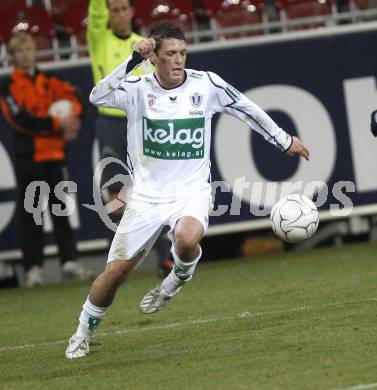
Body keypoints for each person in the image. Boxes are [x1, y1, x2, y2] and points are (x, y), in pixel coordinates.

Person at [65, 22, 310, 359]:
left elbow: (247, 109)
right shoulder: (137, 88)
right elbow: (98, 96)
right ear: (154, 57)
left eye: (182, 52)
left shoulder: (205, 84)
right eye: (170, 54)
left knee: (186, 237)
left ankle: (177, 277)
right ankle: (82, 331)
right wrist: (131, 61)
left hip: (191, 190)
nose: (178, 60)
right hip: (146, 196)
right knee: (116, 273)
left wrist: (284, 141)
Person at [87, 0, 173, 276]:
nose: (120, 14)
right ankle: (116, 259)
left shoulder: (143, 45)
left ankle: (165, 257)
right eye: (115, 10)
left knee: (152, 189)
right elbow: (96, 12)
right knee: (115, 195)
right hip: (110, 122)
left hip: (138, 123)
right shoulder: (99, 38)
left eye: (124, 9)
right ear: (109, 15)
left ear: (132, 12)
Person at [0, 32, 91, 287]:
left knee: (60, 211)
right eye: (20, 51)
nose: (26, 55)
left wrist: (72, 117)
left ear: (35, 52)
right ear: (13, 56)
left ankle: (69, 261)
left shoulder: (50, 81)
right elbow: (20, 120)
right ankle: (33, 268)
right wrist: (56, 123)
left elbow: (79, 99)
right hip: (29, 157)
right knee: (32, 214)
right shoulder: (7, 86)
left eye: (29, 49)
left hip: (55, 154)